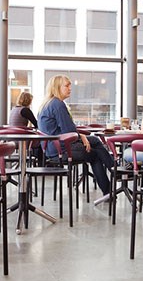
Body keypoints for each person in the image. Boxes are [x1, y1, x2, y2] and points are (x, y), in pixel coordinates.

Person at [37, 74, 114, 204]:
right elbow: (69, 131)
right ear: (57, 87)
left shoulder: (47, 103)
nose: (70, 88)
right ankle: (114, 174)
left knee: (94, 142)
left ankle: (111, 181)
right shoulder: (57, 104)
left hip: (52, 149)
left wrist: (81, 136)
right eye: (67, 86)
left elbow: (67, 131)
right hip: (60, 151)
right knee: (95, 153)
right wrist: (81, 136)